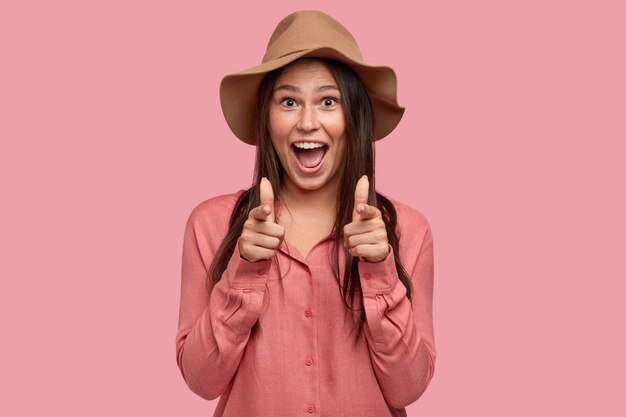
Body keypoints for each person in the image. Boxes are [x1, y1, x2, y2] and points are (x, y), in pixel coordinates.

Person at [175, 10, 436, 417]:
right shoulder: (210, 225)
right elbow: (201, 381)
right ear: (267, 116)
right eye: (289, 101)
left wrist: (379, 269)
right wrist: (244, 269)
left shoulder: (408, 231)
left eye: (328, 101)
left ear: (355, 117)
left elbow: (407, 388)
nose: (308, 122)